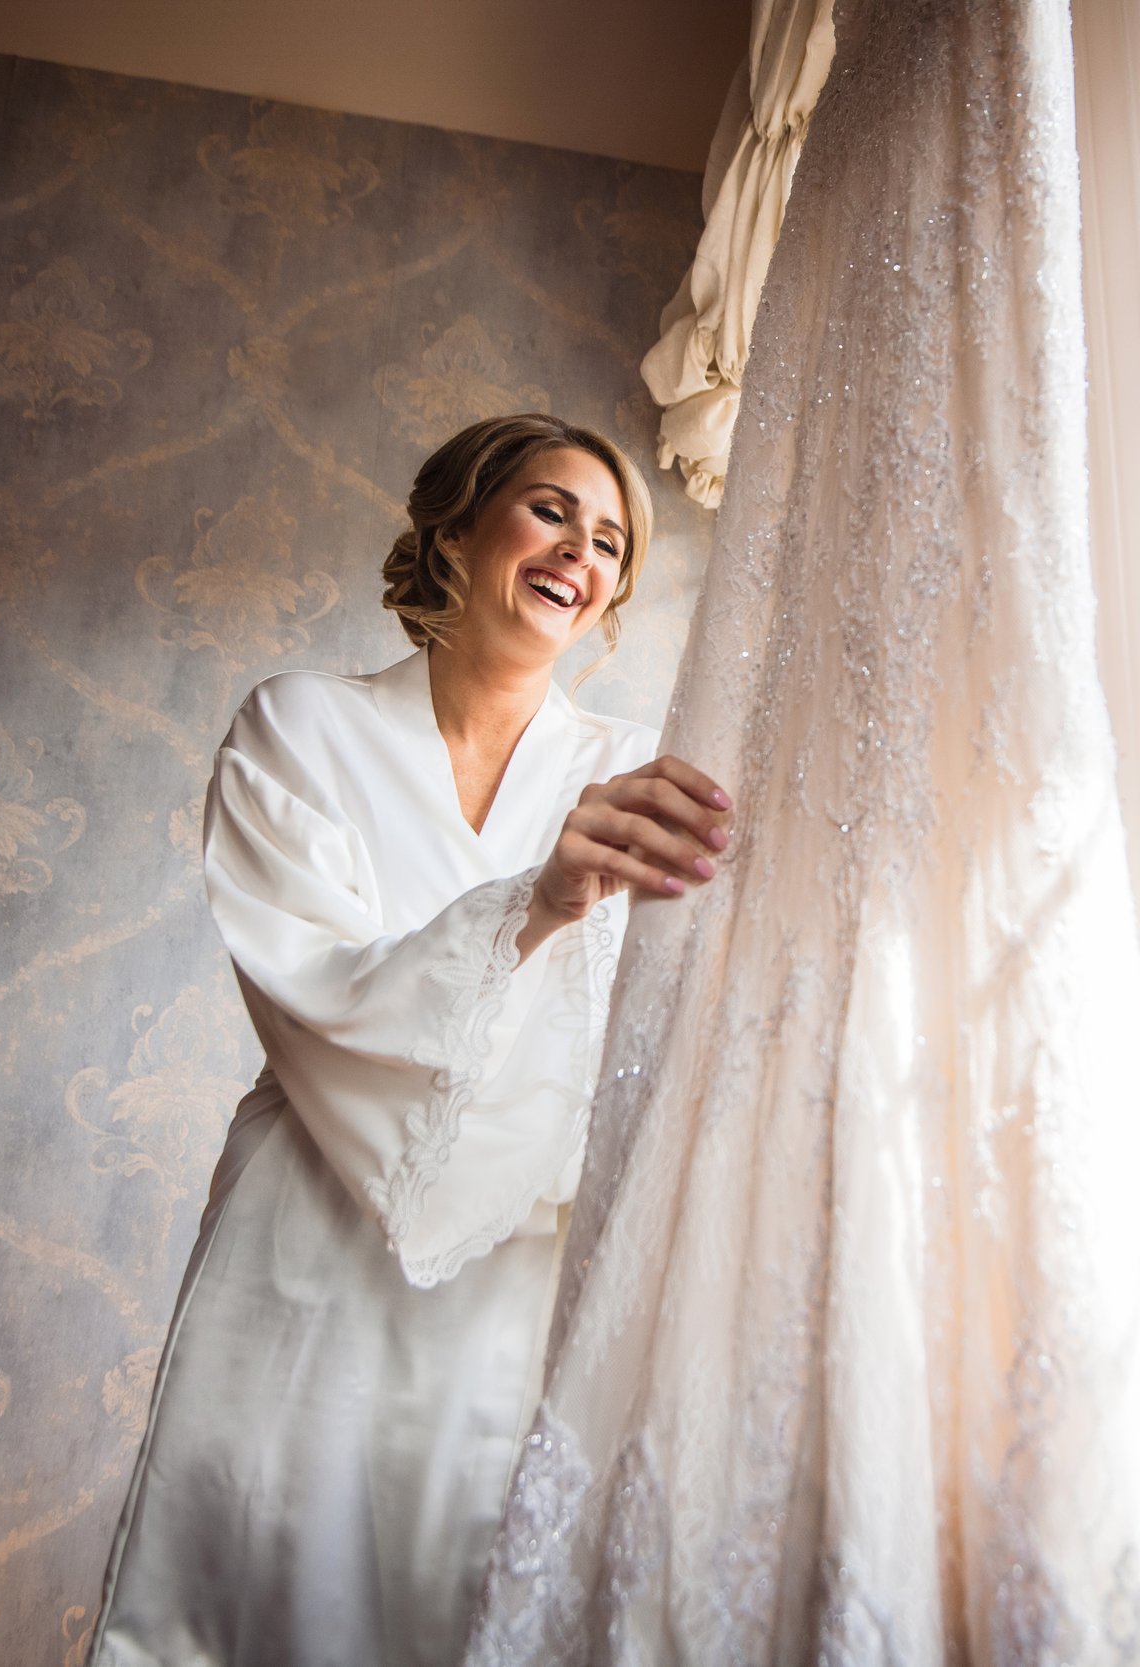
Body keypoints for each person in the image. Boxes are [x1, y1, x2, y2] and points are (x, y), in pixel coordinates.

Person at [90, 413, 732, 1667]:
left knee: (472, 1582)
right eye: (551, 510)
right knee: (276, 1585)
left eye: (609, 542)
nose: (579, 553)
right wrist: (539, 900)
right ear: (454, 525)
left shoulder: (628, 772)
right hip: (310, 1237)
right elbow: (313, 982)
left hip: (526, 1262)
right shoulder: (297, 731)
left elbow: (659, 1023)